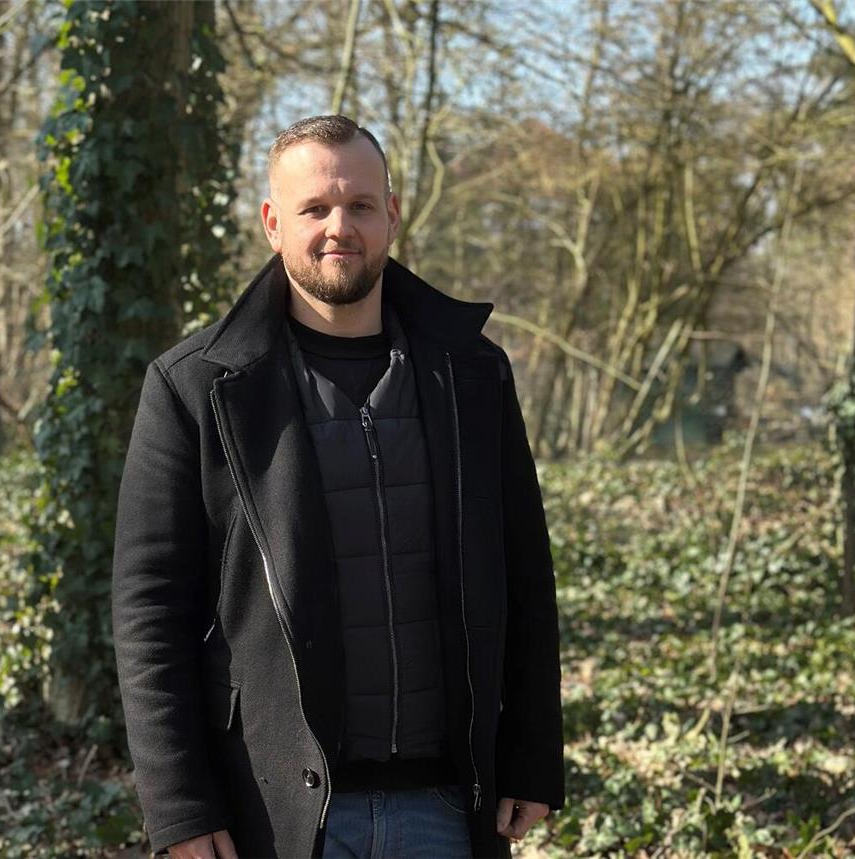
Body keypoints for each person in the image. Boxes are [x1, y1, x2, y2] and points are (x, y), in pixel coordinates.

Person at [112, 115, 564, 859]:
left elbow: (525, 574)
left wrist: (533, 751)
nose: (338, 227)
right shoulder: (195, 388)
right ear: (272, 222)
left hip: (450, 805)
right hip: (277, 812)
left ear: (391, 213)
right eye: (314, 208)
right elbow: (148, 608)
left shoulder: (473, 373)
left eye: (359, 205)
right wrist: (180, 804)